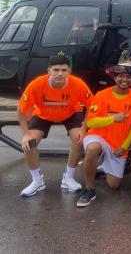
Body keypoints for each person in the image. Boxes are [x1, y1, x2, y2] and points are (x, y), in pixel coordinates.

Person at [17, 55, 93, 197]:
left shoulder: (78, 84)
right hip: (43, 114)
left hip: (70, 112)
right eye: (56, 70)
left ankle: (68, 178)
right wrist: (25, 134)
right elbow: (20, 110)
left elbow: (92, 106)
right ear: (49, 71)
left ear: (69, 71)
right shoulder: (37, 84)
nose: (60, 73)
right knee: (29, 144)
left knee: (79, 139)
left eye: (63, 70)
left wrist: (83, 128)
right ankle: (37, 181)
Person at [77, 61, 131, 207]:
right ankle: (89, 190)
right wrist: (113, 118)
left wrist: (125, 147)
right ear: (115, 77)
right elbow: (91, 123)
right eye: (121, 76)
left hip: (118, 144)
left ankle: (102, 167)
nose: (124, 80)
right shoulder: (102, 95)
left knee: (113, 185)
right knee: (92, 148)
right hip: (98, 137)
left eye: (128, 76)